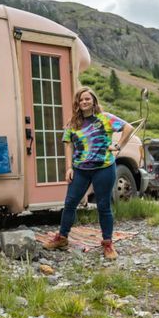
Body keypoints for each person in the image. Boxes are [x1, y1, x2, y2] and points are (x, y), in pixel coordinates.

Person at [43, 86, 135, 259]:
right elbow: (68, 145)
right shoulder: (73, 123)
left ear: (93, 101)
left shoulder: (104, 118)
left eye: (87, 99)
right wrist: (69, 167)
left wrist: (118, 146)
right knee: (70, 203)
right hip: (80, 169)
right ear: (77, 103)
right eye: (81, 99)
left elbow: (128, 128)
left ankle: (107, 244)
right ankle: (62, 237)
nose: (84, 102)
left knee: (103, 206)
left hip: (104, 168)